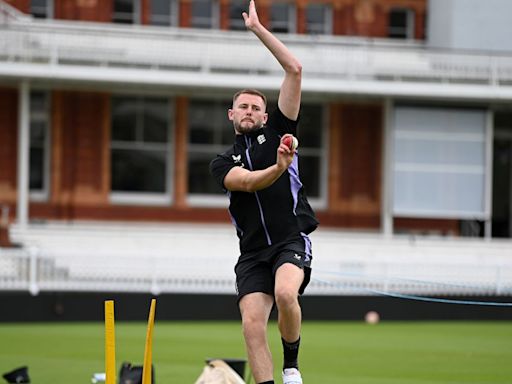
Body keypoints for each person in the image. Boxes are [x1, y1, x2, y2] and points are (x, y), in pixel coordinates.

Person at [209, 1, 318, 383]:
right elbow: (249, 182)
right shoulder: (222, 162)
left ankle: (291, 366)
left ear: (267, 116)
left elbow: (295, 68)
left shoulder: (279, 131)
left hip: (290, 238)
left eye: (257, 106)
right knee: (252, 324)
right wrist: (278, 168)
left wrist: (258, 29)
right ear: (232, 114)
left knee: (287, 294)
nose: (250, 111)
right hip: (253, 252)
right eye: (244, 106)